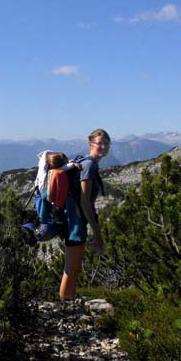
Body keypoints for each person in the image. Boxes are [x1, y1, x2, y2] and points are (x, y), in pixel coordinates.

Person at [59, 128, 111, 301]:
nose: (103, 146)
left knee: (73, 268)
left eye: (105, 143)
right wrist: (96, 231)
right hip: (75, 222)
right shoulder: (88, 166)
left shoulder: (89, 164)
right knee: (71, 269)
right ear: (91, 144)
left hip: (74, 221)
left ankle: (69, 303)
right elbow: (84, 201)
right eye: (99, 143)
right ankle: (65, 307)